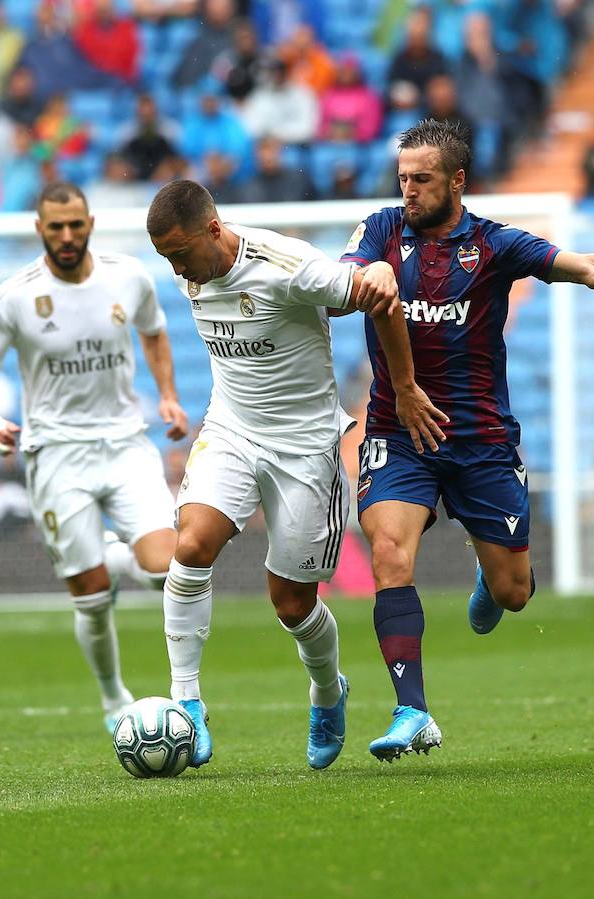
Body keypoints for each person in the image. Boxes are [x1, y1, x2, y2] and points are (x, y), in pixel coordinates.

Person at [341, 118, 594, 761]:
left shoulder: (495, 245)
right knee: (389, 550)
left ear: (457, 181)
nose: (409, 191)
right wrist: (368, 277)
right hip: (398, 429)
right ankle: (411, 709)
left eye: (422, 180)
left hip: (480, 439)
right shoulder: (383, 228)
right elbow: (350, 272)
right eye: (403, 179)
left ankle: (490, 570)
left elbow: (590, 268)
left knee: (513, 594)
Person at [143, 178, 438, 770]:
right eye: (166, 258)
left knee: (291, 602)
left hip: (304, 448)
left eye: (180, 252)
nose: (177, 268)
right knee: (192, 544)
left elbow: (373, 298)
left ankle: (328, 692)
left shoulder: (288, 265)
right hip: (230, 429)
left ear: (215, 230)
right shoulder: (189, 268)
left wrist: (379, 290)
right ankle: (187, 703)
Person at [0, 182, 191, 733]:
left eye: (75, 225)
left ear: (90, 223)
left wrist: (167, 395)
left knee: (169, 571)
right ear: (39, 229)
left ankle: (111, 558)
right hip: (56, 455)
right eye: (55, 227)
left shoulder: (128, 276)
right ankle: (114, 699)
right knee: (89, 598)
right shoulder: (13, 297)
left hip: (126, 444)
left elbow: (154, 334)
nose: (67, 236)